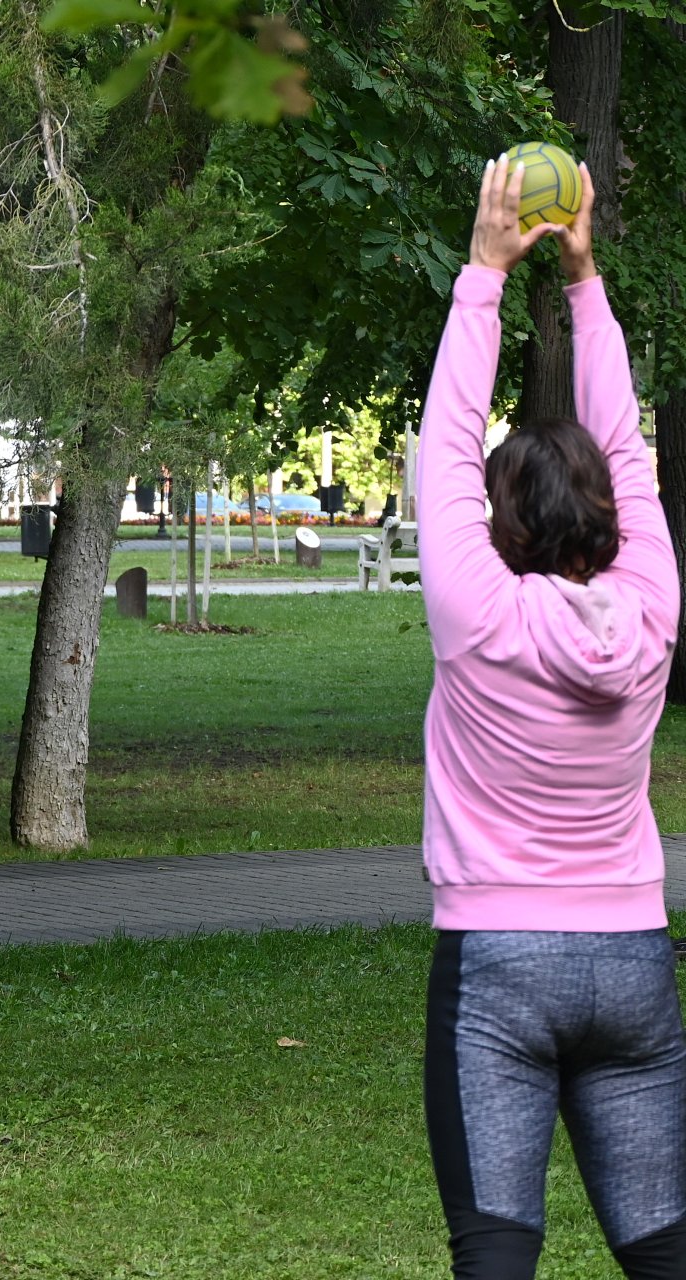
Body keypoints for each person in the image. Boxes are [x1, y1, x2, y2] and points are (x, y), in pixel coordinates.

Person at [418, 154, 686, 1277]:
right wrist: (585, 281)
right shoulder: (654, 605)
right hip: (631, 961)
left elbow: (445, 444)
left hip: (499, 961)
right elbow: (628, 450)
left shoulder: (477, 613)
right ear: (613, 517)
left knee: (496, 1253)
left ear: (501, 525)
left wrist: (484, 273)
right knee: (666, 1252)